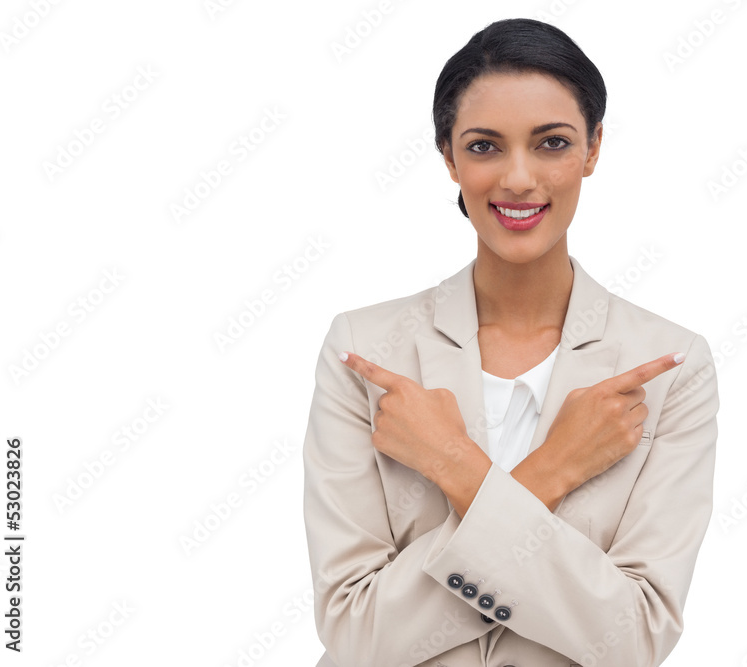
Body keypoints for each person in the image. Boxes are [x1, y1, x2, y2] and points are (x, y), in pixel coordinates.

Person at [302, 17, 719, 667]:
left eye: (552, 143)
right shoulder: (365, 348)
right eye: (485, 146)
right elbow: (354, 635)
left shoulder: (668, 365)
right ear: (448, 156)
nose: (519, 179)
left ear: (594, 147)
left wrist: (452, 462)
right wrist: (553, 468)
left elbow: (634, 637)